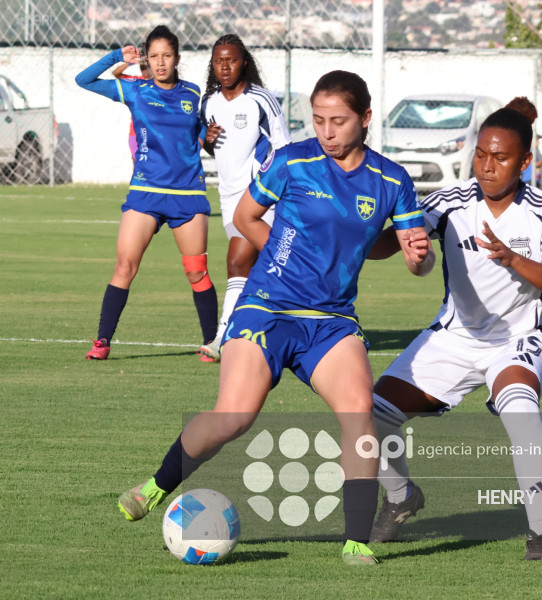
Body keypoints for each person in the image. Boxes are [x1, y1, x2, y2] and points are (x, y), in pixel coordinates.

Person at [116, 70, 435, 566]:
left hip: (330, 320)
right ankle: (157, 487)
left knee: (360, 417)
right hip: (267, 306)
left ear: (365, 119)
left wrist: (418, 258)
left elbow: (412, 256)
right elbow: (245, 218)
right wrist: (285, 256)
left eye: (339, 121)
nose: (327, 131)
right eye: (319, 120)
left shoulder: (392, 180)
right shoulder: (292, 161)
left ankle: (355, 543)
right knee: (234, 417)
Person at [367, 97, 542, 561]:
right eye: (480, 154)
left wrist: (514, 259)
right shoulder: (450, 202)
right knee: (369, 415)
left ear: (525, 162)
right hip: (454, 337)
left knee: (522, 416)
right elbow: (394, 241)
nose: (486, 166)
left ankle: (540, 536)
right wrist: (365, 237)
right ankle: (402, 497)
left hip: (517, 341)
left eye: (500, 157)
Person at [76, 25, 218, 361]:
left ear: (177, 57)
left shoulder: (193, 93)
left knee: (197, 272)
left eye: (166, 55)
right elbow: (84, 80)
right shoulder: (136, 91)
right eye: (153, 56)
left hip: (188, 195)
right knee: (125, 266)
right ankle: (102, 341)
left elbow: (196, 139)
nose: (160, 62)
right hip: (145, 193)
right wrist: (116, 58)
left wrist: (208, 137)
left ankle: (213, 343)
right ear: (147, 60)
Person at [197, 34, 292, 362]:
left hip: (260, 197)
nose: (225, 66)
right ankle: (277, 326)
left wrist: (276, 190)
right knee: (255, 270)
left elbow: (284, 149)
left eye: (232, 60)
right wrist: (207, 141)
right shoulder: (208, 102)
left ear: (244, 63)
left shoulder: (261, 99)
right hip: (227, 195)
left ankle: (222, 338)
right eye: (219, 60)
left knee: (237, 260)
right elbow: (211, 145)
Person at [111, 44, 151, 161]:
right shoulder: (137, 81)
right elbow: (116, 73)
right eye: (142, 68)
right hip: (136, 131)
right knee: (137, 162)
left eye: (146, 67)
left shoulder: (160, 84)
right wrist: (131, 62)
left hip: (153, 131)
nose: (144, 71)